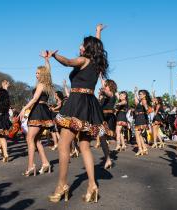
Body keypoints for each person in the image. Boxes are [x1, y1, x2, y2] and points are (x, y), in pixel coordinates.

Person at [48, 24, 108, 203]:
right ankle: (92, 186)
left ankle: (62, 185)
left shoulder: (84, 60)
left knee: (63, 144)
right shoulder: (96, 63)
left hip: (77, 103)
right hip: (89, 105)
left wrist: (54, 55)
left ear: (88, 48)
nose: (80, 47)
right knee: (84, 146)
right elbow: (100, 47)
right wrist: (98, 33)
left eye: (82, 45)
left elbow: (68, 62)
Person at [19, 53, 54, 176]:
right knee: (36, 140)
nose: (36, 74)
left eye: (38, 73)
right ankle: (45, 163)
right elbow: (48, 71)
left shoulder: (41, 84)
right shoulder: (47, 85)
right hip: (44, 111)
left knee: (30, 138)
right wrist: (46, 60)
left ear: (43, 74)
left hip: (38, 110)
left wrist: (24, 108)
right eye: (36, 73)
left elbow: (34, 99)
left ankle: (31, 166)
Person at [134, 88, 151, 156]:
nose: (139, 95)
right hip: (139, 118)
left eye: (140, 94)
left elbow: (147, 109)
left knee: (137, 134)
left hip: (141, 119)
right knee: (140, 135)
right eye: (139, 94)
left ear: (144, 95)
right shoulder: (141, 101)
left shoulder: (144, 101)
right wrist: (135, 92)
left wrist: (147, 110)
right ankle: (144, 148)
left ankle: (140, 149)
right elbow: (136, 101)